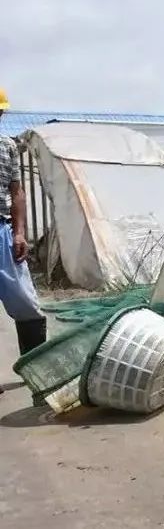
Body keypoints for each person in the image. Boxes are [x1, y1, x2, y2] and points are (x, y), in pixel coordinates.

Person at [0, 88, 48, 398]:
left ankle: (39, 372)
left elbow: (17, 192)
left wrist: (19, 233)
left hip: (3, 232)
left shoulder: (7, 147)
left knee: (26, 304)